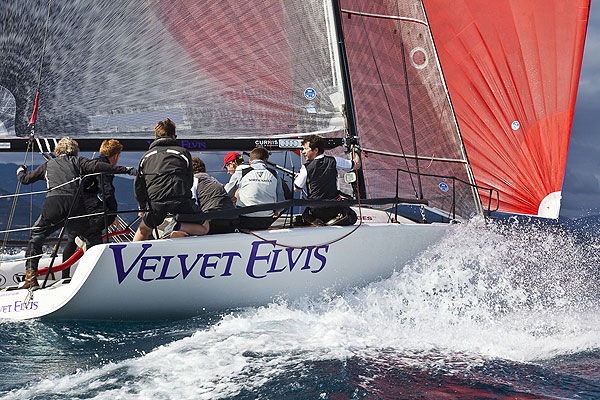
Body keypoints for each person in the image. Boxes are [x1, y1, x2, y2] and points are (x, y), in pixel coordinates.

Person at [17, 137, 136, 290]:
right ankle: (101, 276)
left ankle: (31, 277)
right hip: (76, 205)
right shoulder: (79, 162)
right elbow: (100, 166)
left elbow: (25, 179)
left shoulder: (48, 165)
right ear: (75, 151)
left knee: (37, 234)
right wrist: (126, 170)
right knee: (92, 235)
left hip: (54, 205)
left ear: (58, 151)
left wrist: (21, 170)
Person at [133, 118, 208, 241]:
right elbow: (189, 181)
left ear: (156, 136)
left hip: (156, 205)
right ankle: (177, 226)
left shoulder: (145, 157)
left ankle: (131, 255)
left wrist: (142, 207)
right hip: (181, 203)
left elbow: (139, 186)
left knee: (144, 229)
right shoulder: (183, 153)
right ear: (174, 136)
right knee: (205, 225)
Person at [61, 139, 125, 278]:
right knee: (94, 234)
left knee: (72, 238)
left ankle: (65, 277)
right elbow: (107, 191)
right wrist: (113, 214)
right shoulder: (104, 166)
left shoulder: (91, 163)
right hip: (86, 204)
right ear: (116, 155)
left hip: (70, 205)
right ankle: (93, 276)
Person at [293, 134, 361, 226]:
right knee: (352, 216)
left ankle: (315, 221)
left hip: (316, 211)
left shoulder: (305, 168)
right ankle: (333, 221)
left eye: (305, 149)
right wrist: (356, 150)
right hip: (333, 208)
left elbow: (297, 188)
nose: (303, 152)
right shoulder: (335, 161)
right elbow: (356, 165)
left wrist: (298, 176)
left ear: (316, 150)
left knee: (306, 214)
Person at [225, 147, 284, 230]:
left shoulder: (241, 172)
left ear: (250, 161)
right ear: (266, 160)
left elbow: (226, 194)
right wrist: (278, 210)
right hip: (267, 219)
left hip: (245, 217)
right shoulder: (275, 173)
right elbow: (280, 197)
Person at [191, 157, 238, 234]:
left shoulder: (194, 180)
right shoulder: (214, 180)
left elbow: (192, 204)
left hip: (212, 221)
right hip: (232, 221)